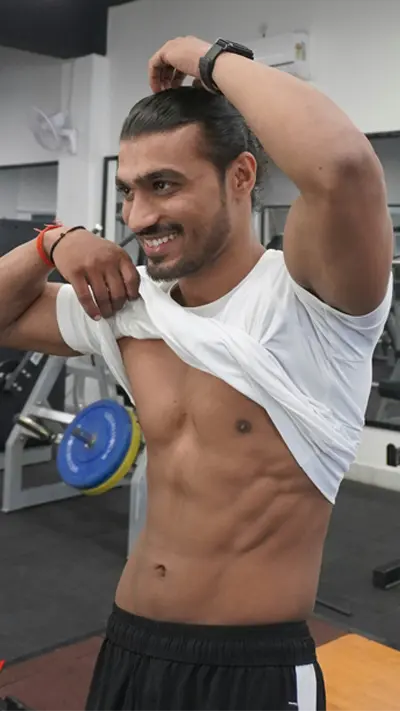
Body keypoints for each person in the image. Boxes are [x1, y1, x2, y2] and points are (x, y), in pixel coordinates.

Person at [0, 35, 393, 711]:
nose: (138, 216)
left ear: (241, 177)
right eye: (128, 192)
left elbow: (344, 166)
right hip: (130, 644)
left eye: (164, 185)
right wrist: (50, 242)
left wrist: (203, 55)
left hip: (250, 669)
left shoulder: (312, 301)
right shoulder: (130, 308)